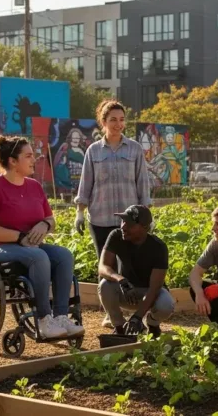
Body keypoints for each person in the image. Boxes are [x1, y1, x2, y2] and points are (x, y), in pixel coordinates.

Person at [0, 135, 84, 340]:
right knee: (38, 256)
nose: (35, 159)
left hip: (31, 247)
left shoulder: (34, 186)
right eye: (29, 156)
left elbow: (50, 219)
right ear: (13, 161)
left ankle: (60, 317)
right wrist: (19, 237)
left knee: (64, 255)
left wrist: (45, 224)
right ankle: (43, 320)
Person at [75, 99, 151, 327]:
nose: (118, 124)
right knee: (106, 266)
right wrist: (80, 211)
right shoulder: (93, 151)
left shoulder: (135, 149)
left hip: (129, 221)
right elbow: (86, 182)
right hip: (100, 217)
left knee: (128, 265)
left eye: (121, 119)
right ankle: (111, 312)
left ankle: (133, 308)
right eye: (112, 120)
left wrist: (146, 215)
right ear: (103, 122)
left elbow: (142, 184)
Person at [98, 204, 174, 337]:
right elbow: (103, 267)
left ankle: (152, 323)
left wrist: (137, 317)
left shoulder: (158, 247)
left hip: (149, 294)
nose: (123, 227)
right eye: (123, 221)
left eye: (130, 224)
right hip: (126, 291)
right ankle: (120, 327)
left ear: (144, 227)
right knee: (105, 285)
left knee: (166, 305)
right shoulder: (116, 236)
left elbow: (154, 289)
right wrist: (121, 280)